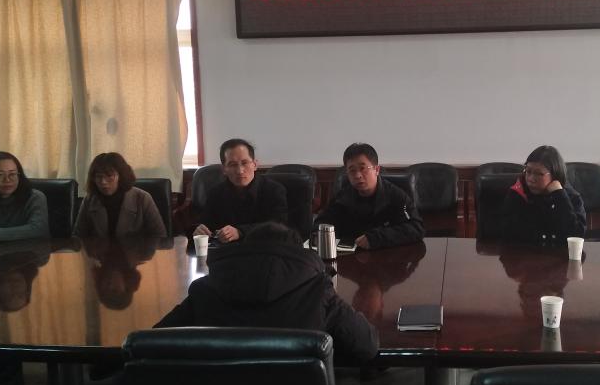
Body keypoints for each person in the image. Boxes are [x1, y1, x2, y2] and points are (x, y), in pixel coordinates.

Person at [156, 222, 378, 365]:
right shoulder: (318, 289)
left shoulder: (205, 289)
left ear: (244, 252)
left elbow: (155, 342)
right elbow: (367, 345)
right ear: (298, 254)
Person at [313, 142, 424, 249]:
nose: (358, 175)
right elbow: (322, 221)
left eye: (363, 168)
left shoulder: (396, 196)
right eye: (352, 170)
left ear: (376, 170)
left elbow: (416, 228)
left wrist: (376, 238)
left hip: (387, 255)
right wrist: (318, 233)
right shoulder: (342, 197)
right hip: (350, 256)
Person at [195, 138, 287, 244]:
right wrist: (200, 230)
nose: (240, 171)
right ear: (224, 169)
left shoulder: (274, 190)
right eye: (232, 165)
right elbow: (207, 224)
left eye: (245, 163)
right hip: (226, 250)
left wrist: (240, 232)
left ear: (255, 165)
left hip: (263, 248)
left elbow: (278, 226)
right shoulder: (215, 193)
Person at [499, 145, 586, 245]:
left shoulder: (571, 196)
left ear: (555, 175)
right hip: (525, 253)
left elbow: (577, 236)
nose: (531, 179)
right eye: (528, 171)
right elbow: (509, 233)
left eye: (539, 174)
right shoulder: (517, 193)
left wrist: (559, 196)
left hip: (560, 253)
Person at [74, 152, 166, 239]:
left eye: (110, 176)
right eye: (98, 176)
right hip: (98, 251)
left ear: (121, 176)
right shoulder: (89, 200)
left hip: (136, 251)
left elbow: (160, 237)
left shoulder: (143, 198)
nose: (103, 182)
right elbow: (78, 237)